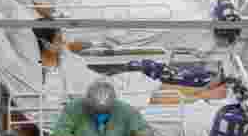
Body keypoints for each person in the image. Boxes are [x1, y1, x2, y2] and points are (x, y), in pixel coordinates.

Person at [36, 25, 230, 106]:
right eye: (58, 40)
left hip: (107, 82)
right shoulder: (53, 78)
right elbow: (63, 104)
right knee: (150, 96)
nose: (62, 42)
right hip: (103, 99)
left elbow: (72, 46)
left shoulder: (64, 53)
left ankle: (201, 87)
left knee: (147, 80)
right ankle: (202, 96)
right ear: (46, 44)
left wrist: (95, 43)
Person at [53, 80, 150, 136]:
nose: (100, 114)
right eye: (95, 111)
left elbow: (146, 133)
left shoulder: (125, 109)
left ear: (114, 104)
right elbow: (59, 132)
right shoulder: (73, 108)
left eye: (106, 111)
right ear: (87, 102)